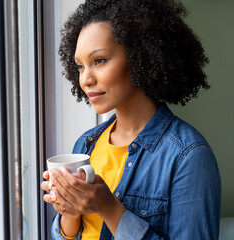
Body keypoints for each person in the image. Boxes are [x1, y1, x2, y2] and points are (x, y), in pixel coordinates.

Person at [41, 0, 221, 239]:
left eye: (99, 60)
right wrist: (70, 212)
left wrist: (109, 208)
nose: (86, 80)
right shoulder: (86, 144)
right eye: (80, 66)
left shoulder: (189, 156)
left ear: (141, 57)